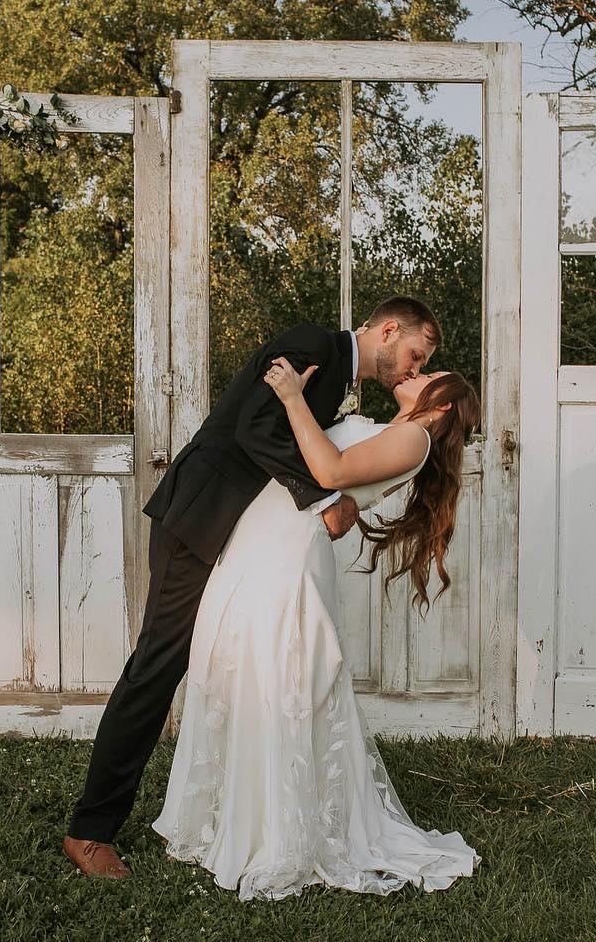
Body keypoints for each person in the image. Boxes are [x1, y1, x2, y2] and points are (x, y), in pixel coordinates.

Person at [62, 296, 441, 879]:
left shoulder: (337, 377)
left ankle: (241, 808)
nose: (414, 369)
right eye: (416, 355)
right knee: (158, 664)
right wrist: (324, 499)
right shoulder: (312, 343)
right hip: (199, 518)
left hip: (238, 536)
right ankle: (90, 832)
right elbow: (254, 427)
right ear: (389, 330)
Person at [149, 355, 483, 900]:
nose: (414, 374)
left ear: (441, 406)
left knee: (276, 679)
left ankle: (276, 834)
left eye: (427, 376)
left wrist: (291, 398)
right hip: (266, 542)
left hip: (288, 557)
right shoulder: (396, 431)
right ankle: (244, 819)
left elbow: (329, 472)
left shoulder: (415, 440)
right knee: (245, 671)